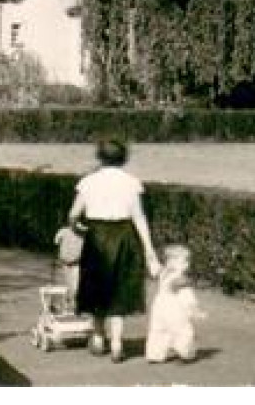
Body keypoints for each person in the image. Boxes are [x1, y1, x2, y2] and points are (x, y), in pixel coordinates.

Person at [68, 137, 161, 363]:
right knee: (119, 287)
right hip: (123, 236)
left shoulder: (88, 182)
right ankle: (118, 342)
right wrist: (150, 251)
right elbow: (139, 218)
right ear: (123, 158)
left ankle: (99, 337)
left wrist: (77, 228)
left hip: (97, 236)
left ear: (100, 157)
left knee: (97, 285)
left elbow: (73, 214)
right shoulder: (131, 182)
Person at [145, 245, 206, 364]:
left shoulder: (163, 272)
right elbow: (188, 298)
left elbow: (153, 268)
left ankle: (155, 354)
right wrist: (196, 311)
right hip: (174, 309)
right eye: (184, 261)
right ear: (172, 262)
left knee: (158, 330)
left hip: (159, 306)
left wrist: (150, 256)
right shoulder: (180, 279)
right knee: (183, 330)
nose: (187, 264)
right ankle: (185, 351)